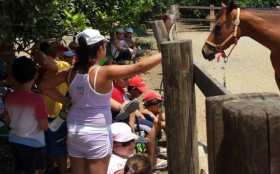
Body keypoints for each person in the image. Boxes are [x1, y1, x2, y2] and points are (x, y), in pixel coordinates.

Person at [39, 29, 162, 173]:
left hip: (74, 131)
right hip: (97, 132)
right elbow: (139, 67)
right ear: (101, 49)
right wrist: (165, 51)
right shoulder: (103, 72)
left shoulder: (70, 72)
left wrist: (66, 101)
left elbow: (44, 86)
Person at [4, 57, 49, 174]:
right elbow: (44, 126)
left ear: (13, 76)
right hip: (33, 143)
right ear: (35, 76)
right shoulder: (38, 99)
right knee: (38, 170)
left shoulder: (9, 97)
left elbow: (8, 122)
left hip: (15, 141)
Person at [35, 42, 70, 174]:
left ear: (48, 56)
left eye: (38, 58)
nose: (36, 61)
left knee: (59, 150)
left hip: (57, 116)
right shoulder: (43, 70)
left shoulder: (63, 65)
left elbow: (46, 63)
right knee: (45, 146)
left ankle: (62, 171)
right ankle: (50, 168)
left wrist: (36, 50)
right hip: (44, 115)